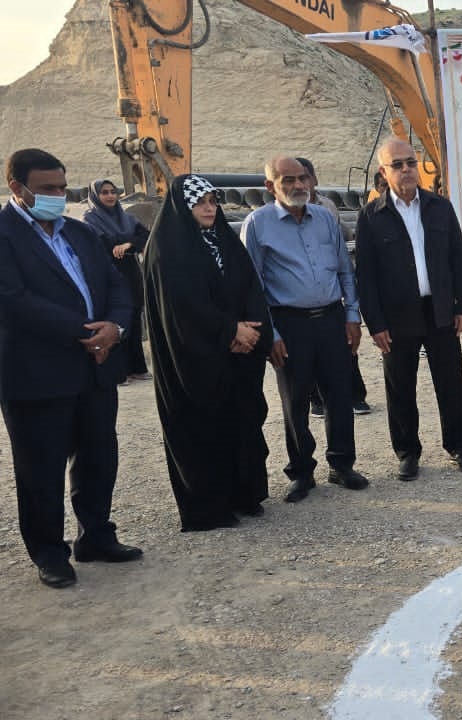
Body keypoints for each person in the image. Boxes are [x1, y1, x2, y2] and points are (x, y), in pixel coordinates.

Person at [0, 148, 142, 588]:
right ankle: (49, 552)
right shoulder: (4, 236)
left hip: (96, 367)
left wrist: (115, 328)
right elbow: (14, 301)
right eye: (46, 189)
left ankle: (95, 536)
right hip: (37, 371)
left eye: (62, 188)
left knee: (99, 456)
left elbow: (118, 287)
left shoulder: (80, 233)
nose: (57, 196)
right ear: (16, 187)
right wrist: (88, 333)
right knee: (40, 467)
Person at [144, 174, 274, 531]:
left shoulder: (225, 241)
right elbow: (181, 308)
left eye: (212, 201)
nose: (208, 208)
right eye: (199, 202)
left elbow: (251, 286)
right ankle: (209, 508)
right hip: (195, 359)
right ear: (182, 207)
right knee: (203, 429)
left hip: (238, 355)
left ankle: (245, 495)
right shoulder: (167, 249)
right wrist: (230, 330)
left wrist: (250, 331)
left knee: (242, 422)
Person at [242, 156, 368, 503]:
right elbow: (253, 286)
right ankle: (301, 471)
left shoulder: (325, 217)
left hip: (331, 319)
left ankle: (342, 464)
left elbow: (344, 270)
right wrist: (272, 334)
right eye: (288, 180)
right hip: (289, 323)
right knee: (295, 401)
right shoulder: (257, 224)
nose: (298, 186)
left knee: (339, 395)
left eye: (302, 178)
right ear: (270, 187)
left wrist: (352, 315)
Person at [355, 138, 462, 478]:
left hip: (440, 310)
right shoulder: (371, 216)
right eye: (397, 165)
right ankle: (407, 452)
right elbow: (365, 276)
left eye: (411, 162)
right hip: (397, 316)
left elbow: (458, 260)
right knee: (400, 387)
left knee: (450, 382)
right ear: (384, 172)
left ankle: (458, 446)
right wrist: (375, 324)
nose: (407, 169)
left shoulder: (440, 208)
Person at [295, 156, 370, 418]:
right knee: (309, 355)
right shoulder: (272, 217)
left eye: (305, 177)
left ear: (314, 179)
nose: (301, 184)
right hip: (302, 296)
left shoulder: (327, 207)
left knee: (346, 346)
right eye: (294, 179)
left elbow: (339, 245)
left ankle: (356, 396)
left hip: (331, 290)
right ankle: (317, 400)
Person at [83, 179, 150, 382]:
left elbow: (147, 237)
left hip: (131, 273)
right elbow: (104, 245)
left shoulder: (127, 218)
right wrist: (131, 242)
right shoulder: (90, 220)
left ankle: (137, 367)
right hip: (108, 275)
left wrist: (129, 244)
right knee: (116, 320)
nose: (110, 196)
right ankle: (119, 371)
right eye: (104, 192)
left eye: (113, 192)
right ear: (95, 196)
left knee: (135, 318)